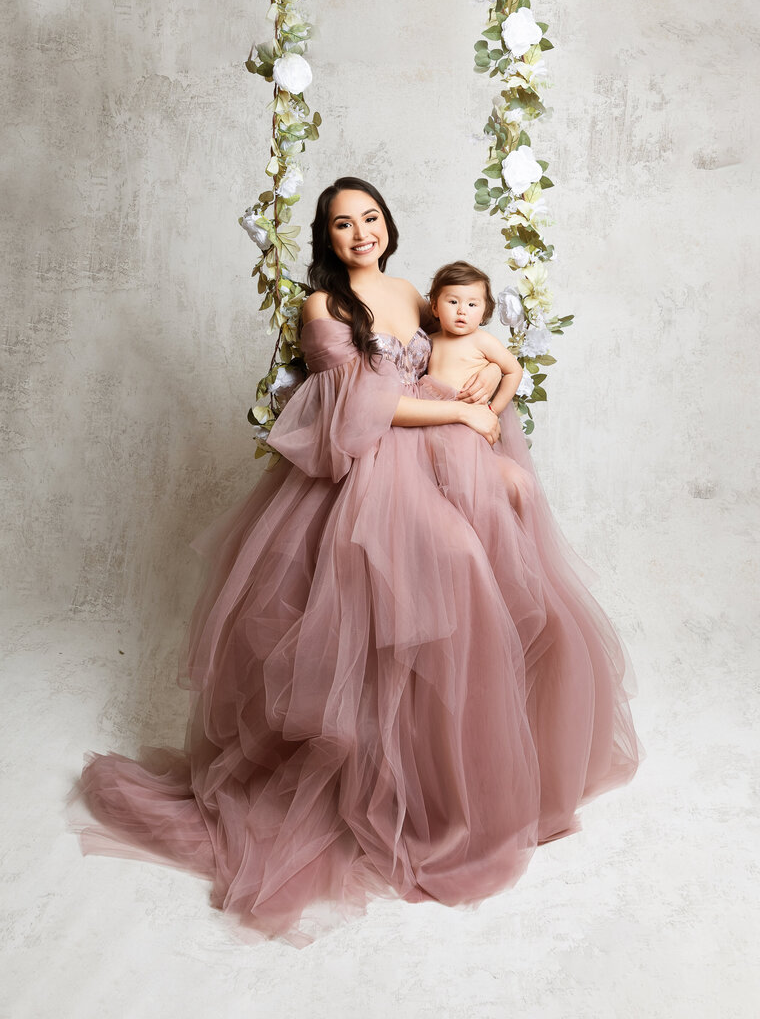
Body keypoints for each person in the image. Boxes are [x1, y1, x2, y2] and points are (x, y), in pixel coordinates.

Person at [67, 174, 643, 949]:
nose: (360, 233)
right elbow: (360, 409)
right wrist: (460, 411)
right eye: (343, 225)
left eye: (370, 218)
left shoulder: (411, 289)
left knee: (491, 578)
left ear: (389, 224)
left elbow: (450, 366)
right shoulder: (324, 308)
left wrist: (485, 421)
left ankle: (458, 783)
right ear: (326, 240)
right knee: (442, 579)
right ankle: (396, 792)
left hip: (435, 457)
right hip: (368, 471)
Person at [420, 258, 535, 516]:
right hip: (433, 424)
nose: (462, 311)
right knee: (439, 487)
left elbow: (513, 370)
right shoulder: (428, 340)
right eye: (453, 302)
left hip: (468, 426)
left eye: (472, 304)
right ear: (435, 307)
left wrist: (493, 410)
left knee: (474, 484)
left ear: (484, 313)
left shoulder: (482, 341)